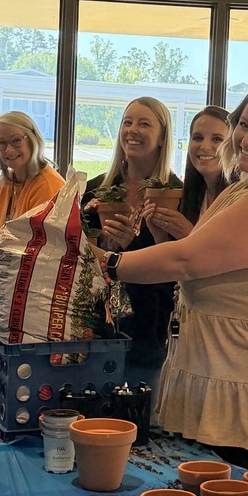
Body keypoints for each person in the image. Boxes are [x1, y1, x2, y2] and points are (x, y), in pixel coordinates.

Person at [95, 84, 248, 495]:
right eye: (244, 125)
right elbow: (194, 261)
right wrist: (160, 236)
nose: (247, 139)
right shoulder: (244, 188)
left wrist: (104, 264)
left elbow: (186, 261)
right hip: (230, 371)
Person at [81, 97, 180, 387]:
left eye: (144, 124)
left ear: (162, 137)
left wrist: (132, 248)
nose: (132, 130)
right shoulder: (95, 190)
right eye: (127, 122)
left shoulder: (174, 195)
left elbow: (173, 274)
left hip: (147, 335)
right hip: (92, 330)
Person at [0, 112, 64, 294]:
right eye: (1, 143)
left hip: (39, 293)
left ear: (32, 140)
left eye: (16, 141)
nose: (8, 150)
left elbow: (42, 259)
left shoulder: (49, 186)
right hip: (4, 288)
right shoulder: (0, 187)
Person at [144, 105, 231, 241]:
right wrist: (160, 235)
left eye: (217, 139)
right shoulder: (189, 196)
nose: (205, 146)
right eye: (197, 138)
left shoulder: (242, 199)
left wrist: (189, 235)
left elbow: (231, 259)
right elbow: (178, 259)